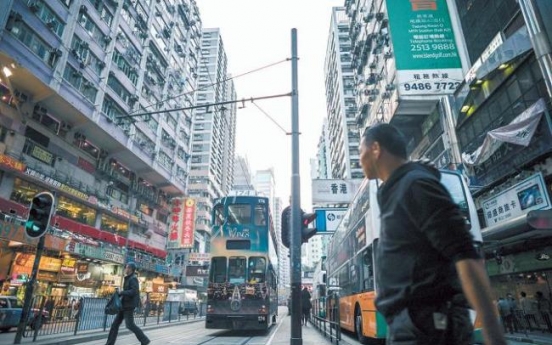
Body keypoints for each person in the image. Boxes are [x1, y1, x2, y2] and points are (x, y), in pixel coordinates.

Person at [359, 123, 506, 345]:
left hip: (428, 326)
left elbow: (465, 256)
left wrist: (494, 337)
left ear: (376, 149)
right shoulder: (395, 190)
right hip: (410, 325)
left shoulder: (416, 185)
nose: (359, 160)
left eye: (361, 152)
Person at [106, 262, 150, 345]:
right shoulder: (129, 278)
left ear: (130, 269)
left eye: (127, 267)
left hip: (129, 306)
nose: (125, 269)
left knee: (130, 325)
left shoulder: (133, 278)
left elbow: (134, 291)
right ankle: (109, 343)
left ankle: (144, 340)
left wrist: (122, 292)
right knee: (115, 325)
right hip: (124, 305)